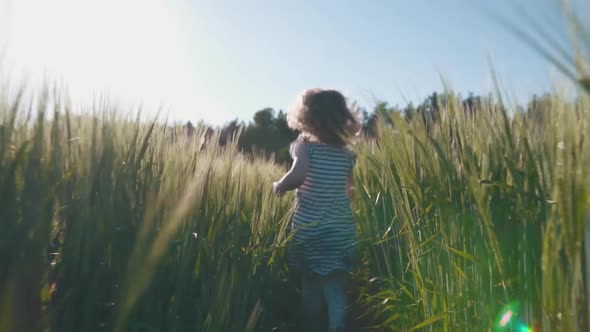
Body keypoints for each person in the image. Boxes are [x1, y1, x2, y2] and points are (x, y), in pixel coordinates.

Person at [272, 89, 360, 332]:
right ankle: (338, 327)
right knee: (335, 287)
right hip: (339, 232)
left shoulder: (305, 147)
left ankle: (312, 326)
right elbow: (350, 190)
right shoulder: (347, 154)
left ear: (307, 118)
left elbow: (298, 176)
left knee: (310, 284)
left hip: (309, 231)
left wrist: (281, 185)